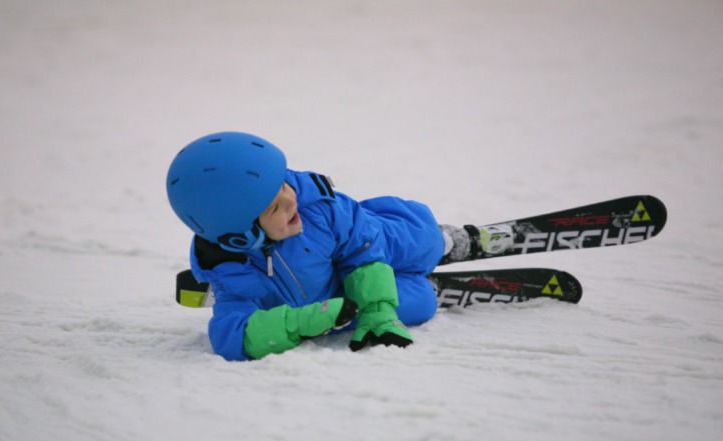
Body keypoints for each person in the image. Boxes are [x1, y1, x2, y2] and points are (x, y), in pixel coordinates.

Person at [166, 131, 512, 361]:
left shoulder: (315, 209)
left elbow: (364, 250)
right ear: (241, 237)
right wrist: (301, 322)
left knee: (421, 241)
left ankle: (449, 243)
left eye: (285, 185)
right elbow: (231, 337)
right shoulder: (231, 273)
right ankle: (411, 286)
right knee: (420, 302)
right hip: (328, 294)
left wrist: (377, 310)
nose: (291, 201)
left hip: (364, 240)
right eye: (275, 207)